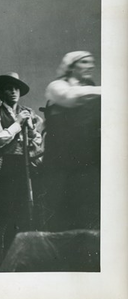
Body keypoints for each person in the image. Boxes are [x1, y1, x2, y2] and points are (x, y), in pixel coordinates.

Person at [42, 51, 101, 232]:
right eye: (84, 62)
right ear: (71, 66)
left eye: (91, 62)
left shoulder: (91, 90)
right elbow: (70, 98)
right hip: (60, 160)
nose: (90, 66)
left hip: (86, 158)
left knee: (87, 207)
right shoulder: (57, 86)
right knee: (61, 209)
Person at [0, 72, 43, 261]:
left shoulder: (28, 112)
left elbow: (37, 142)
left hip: (26, 165)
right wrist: (18, 122)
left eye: (16, 88)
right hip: (6, 164)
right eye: (8, 88)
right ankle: (4, 258)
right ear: (0, 92)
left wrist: (30, 128)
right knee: (6, 210)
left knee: (27, 210)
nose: (13, 92)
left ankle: (24, 257)